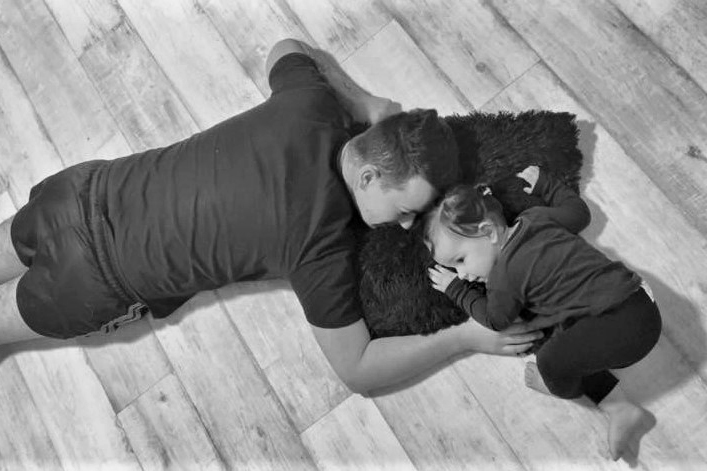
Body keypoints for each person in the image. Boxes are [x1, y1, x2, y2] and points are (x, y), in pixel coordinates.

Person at [0, 39, 544, 394]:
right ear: (370, 177)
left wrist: (363, 100)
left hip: (78, 191)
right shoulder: (320, 244)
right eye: (404, 210)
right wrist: (464, 339)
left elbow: (284, 47)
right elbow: (358, 371)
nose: (404, 227)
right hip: (92, 282)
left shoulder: (311, 100)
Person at [425, 165, 662, 460]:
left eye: (460, 260)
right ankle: (620, 407)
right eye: (455, 270)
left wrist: (457, 292)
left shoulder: (503, 280)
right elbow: (579, 214)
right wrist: (548, 185)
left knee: (551, 359)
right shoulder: (534, 218)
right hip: (640, 300)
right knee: (567, 339)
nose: (463, 274)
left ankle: (566, 388)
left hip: (621, 325)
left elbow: (497, 320)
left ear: (488, 232)